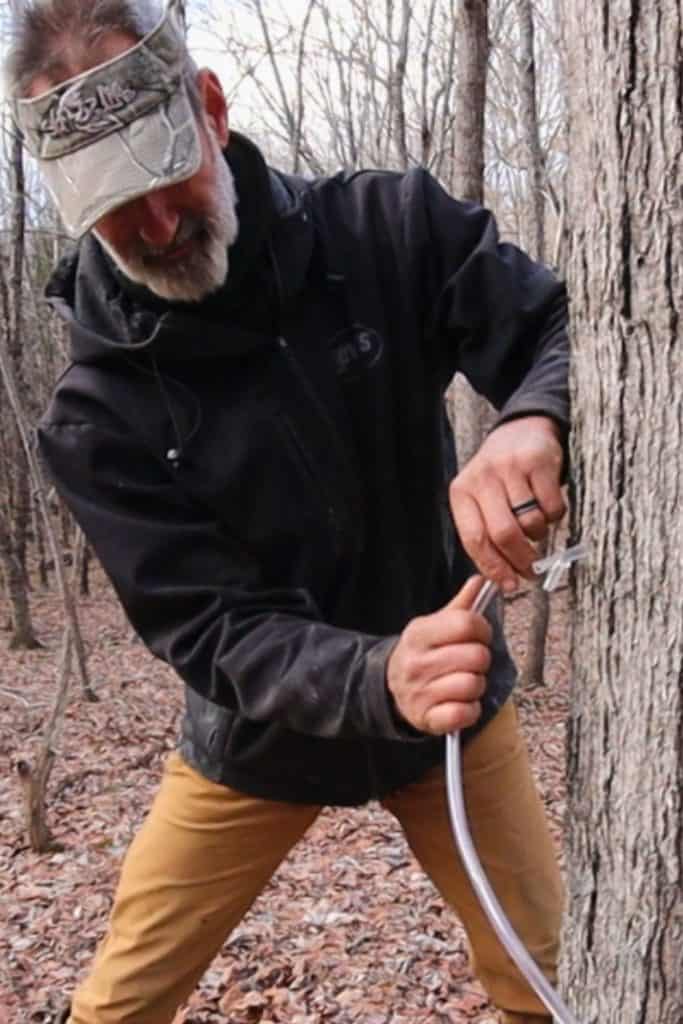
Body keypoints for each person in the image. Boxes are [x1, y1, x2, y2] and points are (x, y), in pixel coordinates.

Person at [6, 1, 570, 1022]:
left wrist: (532, 418)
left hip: (448, 709)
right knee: (118, 1003)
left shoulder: (384, 227)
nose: (159, 227)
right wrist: (370, 672)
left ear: (210, 108)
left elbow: (557, 325)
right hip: (257, 739)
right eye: (114, 208)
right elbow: (210, 627)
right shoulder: (93, 413)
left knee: (549, 977)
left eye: (163, 173)